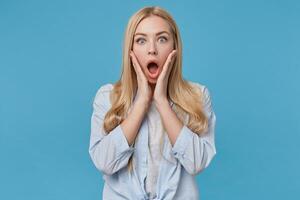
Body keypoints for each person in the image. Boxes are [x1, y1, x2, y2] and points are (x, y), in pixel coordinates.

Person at [89, 6, 217, 200]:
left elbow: (197, 163)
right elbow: (105, 162)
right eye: (141, 40)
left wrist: (162, 101)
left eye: (162, 39)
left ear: (175, 47)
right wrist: (141, 102)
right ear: (130, 50)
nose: (152, 50)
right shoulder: (107, 97)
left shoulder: (198, 96)